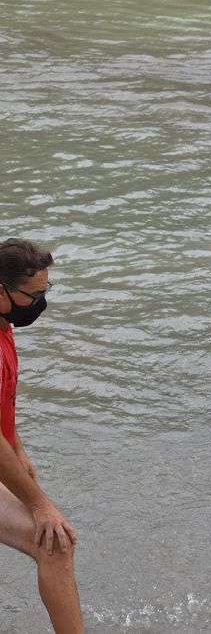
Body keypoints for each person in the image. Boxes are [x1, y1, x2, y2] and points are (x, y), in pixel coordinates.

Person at [0, 238, 83, 633]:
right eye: (32, 296)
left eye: (45, 292)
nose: (39, 304)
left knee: (55, 544)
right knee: (54, 544)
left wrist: (17, 447)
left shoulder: (3, 327)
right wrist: (38, 505)